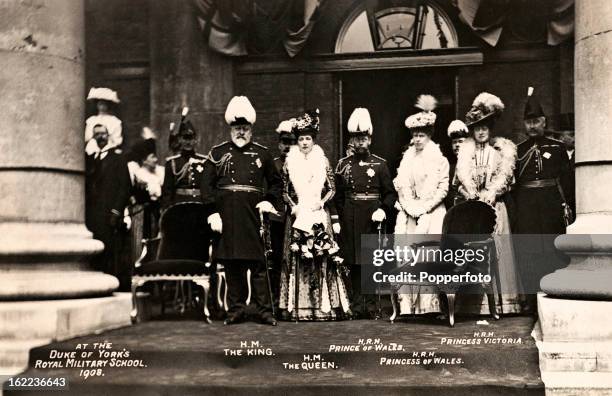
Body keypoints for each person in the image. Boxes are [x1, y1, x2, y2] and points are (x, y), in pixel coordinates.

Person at [201, 95, 282, 326]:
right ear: (230, 129)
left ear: (251, 129)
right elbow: (206, 186)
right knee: (231, 263)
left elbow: (276, 183)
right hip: (226, 216)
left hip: (253, 215)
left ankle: (264, 311)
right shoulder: (217, 153)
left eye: (245, 128)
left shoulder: (262, 153)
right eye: (237, 128)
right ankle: (235, 310)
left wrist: (268, 201)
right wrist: (212, 212)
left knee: (258, 266)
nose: (241, 132)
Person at [453, 92, 523, 314]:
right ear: (472, 130)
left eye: (485, 127)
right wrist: (469, 193)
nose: (481, 131)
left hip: (495, 209)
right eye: (477, 127)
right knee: (473, 252)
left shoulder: (500, 152)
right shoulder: (465, 153)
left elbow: (510, 181)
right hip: (473, 211)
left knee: (498, 252)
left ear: (491, 128)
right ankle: (476, 306)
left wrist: (493, 192)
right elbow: (457, 182)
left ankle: (504, 305)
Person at [277, 110, 350, 321]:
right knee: (298, 255)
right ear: (296, 141)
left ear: (313, 140)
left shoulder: (322, 160)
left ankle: (322, 307)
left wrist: (321, 203)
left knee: (320, 254)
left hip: (319, 212)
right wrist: (295, 206)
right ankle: (298, 308)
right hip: (298, 214)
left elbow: (332, 188)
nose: (304, 143)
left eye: (308, 138)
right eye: (301, 139)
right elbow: (284, 191)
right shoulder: (289, 162)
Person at [335, 107, 396, 319]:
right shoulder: (343, 165)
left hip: (372, 215)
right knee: (352, 262)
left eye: (364, 139)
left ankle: (371, 306)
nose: (360, 143)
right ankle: (356, 305)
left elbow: (390, 194)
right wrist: (339, 218)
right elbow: (338, 195)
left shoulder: (380, 164)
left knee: (369, 262)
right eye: (357, 139)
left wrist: (382, 209)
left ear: (370, 139)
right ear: (352, 141)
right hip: (350, 216)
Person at [513, 87, 571, 301]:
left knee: (551, 245)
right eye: (529, 122)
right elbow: (514, 184)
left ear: (544, 122)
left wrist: (567, 205)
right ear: (524, 124)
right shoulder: (518, 150)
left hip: (550, 203)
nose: (533, 125)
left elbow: (566, 179)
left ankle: (554, 290)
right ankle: (530, 298)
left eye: (537, 121)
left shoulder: (557, 147)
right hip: (526, 204)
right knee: (529, 248)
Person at [394, 95, 449, 315]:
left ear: (429, 136)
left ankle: (430, 306)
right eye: (415, 136)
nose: (417, 140)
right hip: (411, 212)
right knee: (407, 255)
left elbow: (443, 189)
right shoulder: (407, 160)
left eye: (421, 136)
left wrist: (425, 209)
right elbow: (402, 187)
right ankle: (410, 307)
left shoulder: (439, 159)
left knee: (428, 255)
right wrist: (409, 207)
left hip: (432, 212)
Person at [85, 124, 132, 290]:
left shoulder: (118, 159)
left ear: (108, 135)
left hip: (109, 213)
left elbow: (125, 186)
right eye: (96, 134)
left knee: (110, 250)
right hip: (92, 215)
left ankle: (111, 284)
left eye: (103, 134)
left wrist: (116, 211)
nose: (100, 137)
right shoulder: (89, 159)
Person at [269, 119, 298, 310]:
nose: (287, 146)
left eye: (291, 142)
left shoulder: (302, 164)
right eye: (284, 142)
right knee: (277, 259)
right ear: (279, 144)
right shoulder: (272, 165)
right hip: (278, 218)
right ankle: (277, 301)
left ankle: (295, 300)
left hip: (297, 218)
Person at [161, 111, 208, 208]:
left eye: (191, 138)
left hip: (200, 206)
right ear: (179, 139)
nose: (188, 142)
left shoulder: (205, 161)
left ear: (195, 140)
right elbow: (167, 193)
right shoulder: (172, 163)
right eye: (185, 138)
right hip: (179, 206)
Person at [84, 87, 122, 156]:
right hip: (92, 150)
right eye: (100, 103)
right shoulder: (91, 120)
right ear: (96, 104)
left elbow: (117, 140)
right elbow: (87, 137)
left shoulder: (115, 121)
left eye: (104, 103)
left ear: (108, 105)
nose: (102, 106)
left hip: (109, 150)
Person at [444, 120, 469, 209]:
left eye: (460, 141)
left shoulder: (474, 163)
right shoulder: (449, 168)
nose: (457, 145)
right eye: (454, 142)